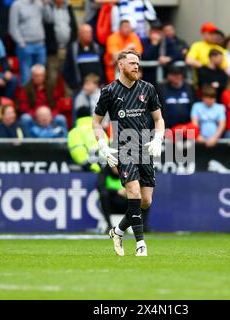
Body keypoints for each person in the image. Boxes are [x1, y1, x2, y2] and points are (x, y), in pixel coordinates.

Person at [93, 50, 165, 257]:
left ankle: (117, 231)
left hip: (145, 149)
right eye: (132, 63)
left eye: (138, 63)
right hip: (124, 148)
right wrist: (103, 146)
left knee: (145, 201)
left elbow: (159, 119)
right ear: (121, 65)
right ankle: (140, 244)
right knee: (133, 191)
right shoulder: (109, 91)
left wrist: (158, 138)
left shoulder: (147, 89)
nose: (136, 66)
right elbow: (96, 123)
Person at [9, 0, 50, 85]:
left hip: (40, 45)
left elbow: (49, 19)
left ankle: (39, 98)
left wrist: (45, 5)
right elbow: (12, 27)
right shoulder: (17, 5)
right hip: (25, 46)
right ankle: (26, 98)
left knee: (41, 76)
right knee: (26, 76)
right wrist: (21, 42)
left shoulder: (39, 4)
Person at [17, 64, 68, 129]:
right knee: (25, 119)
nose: (39, 78)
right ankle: (28, 139)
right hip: (34, 117)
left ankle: (64, 139)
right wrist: (38, 116)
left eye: (41, 75)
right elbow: (23, 107)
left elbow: (58, 104)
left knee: (61, 119)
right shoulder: (26, 89)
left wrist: (49, 116)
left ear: (44, 76)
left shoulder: (51, 87)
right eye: (37, 76)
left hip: (50, 116)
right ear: (32, 76)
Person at [44, 0, 77, 84]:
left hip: (67, 48)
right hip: (53, 49)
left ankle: (68, 97)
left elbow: (73, 26)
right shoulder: (48, 8)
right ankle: (51, 97)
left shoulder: (68, 8)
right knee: (52, 77)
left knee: (68, 75)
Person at [64, 23, 103, 91]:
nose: (90, 34)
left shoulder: (96, 48)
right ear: (80, 34)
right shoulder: (73, 49)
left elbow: (102, 67)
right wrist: (74, 85)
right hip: (79, 88)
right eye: (87, 32)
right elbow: (66, 69)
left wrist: (100, 83)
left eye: (91, 32)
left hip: (97, 88)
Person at [104, 19, 143, 83]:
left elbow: (138, 56)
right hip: (114, 71)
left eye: (129, 27)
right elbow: (115, 57)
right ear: (120, 28)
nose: (127, 29)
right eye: (125, 27)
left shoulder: (134, 37)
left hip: (131, 71)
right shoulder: (113, 38)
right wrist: (127, 48)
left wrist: (121, 54)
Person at [68, 106, 102, 173]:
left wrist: (92, 166)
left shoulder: (74, 132)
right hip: (103, 168)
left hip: (87, 170)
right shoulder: (99, 129)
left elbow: (78, 152)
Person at [97, 165, 128, 233]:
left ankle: (142, 226)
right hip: (110, 204)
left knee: (143, 198)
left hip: (125, 203)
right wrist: (117, 192)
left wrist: (128, 191)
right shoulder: (104, 173)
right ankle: (109, 225)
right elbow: (100, 187)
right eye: (115, 166)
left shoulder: (127, 173)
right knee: (103, 195)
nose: (118, 168)